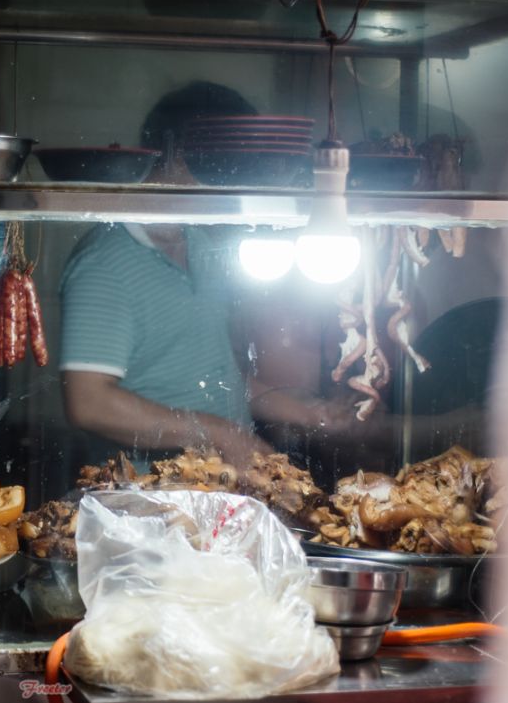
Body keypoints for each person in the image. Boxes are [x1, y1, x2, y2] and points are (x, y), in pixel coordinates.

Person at [59, 82, 355, 466]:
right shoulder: (105, 261)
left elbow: (213, 377)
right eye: (229, 159)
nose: (236, 176)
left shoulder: (201, 244)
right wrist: (221, 436)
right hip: (150, 502)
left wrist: (305, 411)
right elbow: (89, 403)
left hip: (220, 492)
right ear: (175, 151)